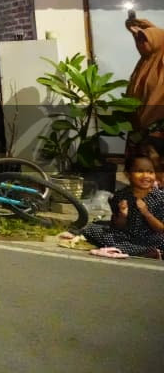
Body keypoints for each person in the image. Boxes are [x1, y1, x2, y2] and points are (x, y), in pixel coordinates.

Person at [80, 154, 164, 259]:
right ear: (128, 174)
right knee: (92, 229)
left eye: (150, 172)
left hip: (152, 239)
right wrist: (122, 215)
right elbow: (118, 226)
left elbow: (161, 229)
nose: (146, 176)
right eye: (139, 171)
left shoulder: (160, 198)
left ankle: (142, 251)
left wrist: (146, 213)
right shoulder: (121, 195)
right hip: (126, 237)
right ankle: (144, 252)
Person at [125, 17, 164, 164]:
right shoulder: (143, 63)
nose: (140, 44)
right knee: (138, 167)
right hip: (138, 126)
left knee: (155, 166)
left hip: (158, 130)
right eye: (137, 40)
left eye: (144, 40)